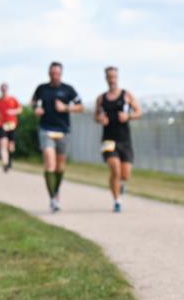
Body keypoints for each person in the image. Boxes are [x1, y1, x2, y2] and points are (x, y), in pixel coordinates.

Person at [31, 62, 83, 212]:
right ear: (49, 73)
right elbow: (34, 102)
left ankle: (56, 191)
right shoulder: (42, 88)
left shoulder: (68, 89)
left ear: (61, 74)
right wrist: (36, 109)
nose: (54, 76)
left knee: (60, 166)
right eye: (52, 73)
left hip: (63, 130)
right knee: (49, 163)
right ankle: (53, 198)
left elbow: (80, 106)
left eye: (57, 73)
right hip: (46, 129)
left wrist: (66, 107)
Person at [94, 66, 141, 213]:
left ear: (117, 77)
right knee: (115, 168)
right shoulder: (101, 99)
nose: (112, 79)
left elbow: (139, 111)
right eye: (109, 77)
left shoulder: (126, 95)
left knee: (124, 175)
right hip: (108, 140)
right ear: (106, 78)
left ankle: (120, 186)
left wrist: (129, 116)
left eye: (114, 77)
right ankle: (117, 201)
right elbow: (96, 116)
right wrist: (100, 119)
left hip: (124, 140)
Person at [0, 84, 22, 173]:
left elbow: (20, 109)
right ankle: (5, 164)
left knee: (11, 146)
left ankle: (10, 159)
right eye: (2, 89)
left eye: (5, 89)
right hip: (2, 124)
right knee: (3, 144)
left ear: (7, 90)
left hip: (12, 124)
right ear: (1, 90)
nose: (4, 90)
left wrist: (13, 111)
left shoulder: (13, 99)